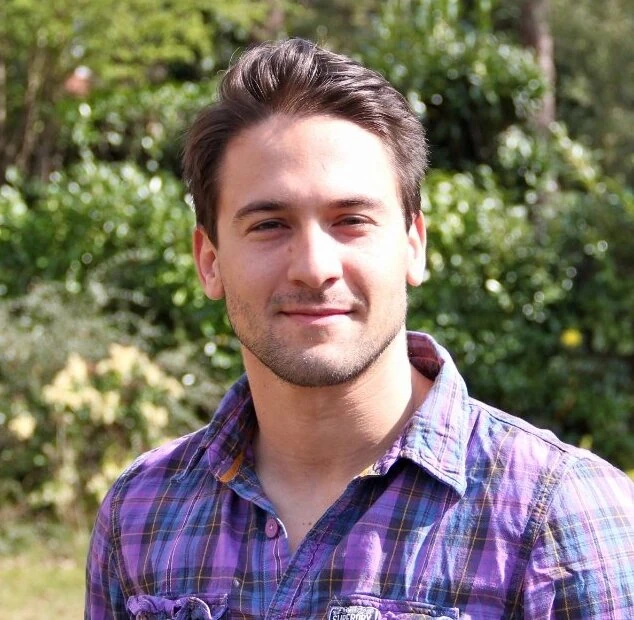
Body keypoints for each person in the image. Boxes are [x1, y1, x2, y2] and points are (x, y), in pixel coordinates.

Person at [85, 38, 634, 619]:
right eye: (269, 224)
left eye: (351, 220)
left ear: (413, 245)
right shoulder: (141, 512)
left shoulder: (558, 515)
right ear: (209, 261)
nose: (314, 267)